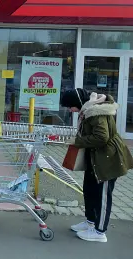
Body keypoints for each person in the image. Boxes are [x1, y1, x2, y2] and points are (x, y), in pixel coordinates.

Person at [61, 88, 133, 242]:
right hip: (95, 159)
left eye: (70, 106)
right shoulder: (88, 110)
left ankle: (100, 232)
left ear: (77, 103)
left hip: (107, 160)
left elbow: (102, 137)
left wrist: (77, 142)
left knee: (102, 196)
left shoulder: (96, 112)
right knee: (90, 190)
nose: (70, 110)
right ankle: (90, 223)